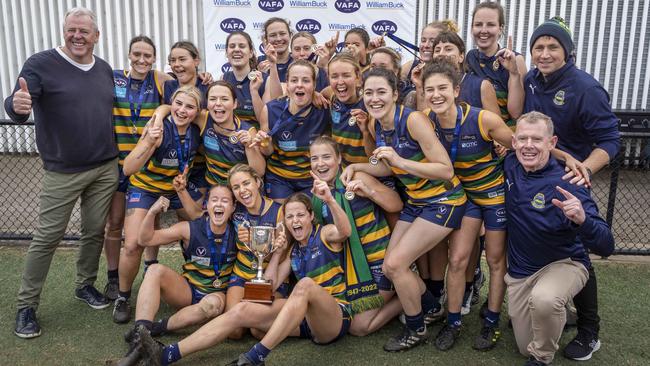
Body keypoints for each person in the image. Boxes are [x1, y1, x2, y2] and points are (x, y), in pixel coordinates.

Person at [5, 7, 119, 339]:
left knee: (94, 231)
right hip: (63, 171)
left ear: (97, 36)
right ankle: (26, 306)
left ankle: (85, 285)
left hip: (104, 167)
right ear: (63, 31)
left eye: (84, 31)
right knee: (47, 238)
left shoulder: (104, 69)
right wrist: (15, 104)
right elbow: (19, 103)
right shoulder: (40, 65)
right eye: (71, 29)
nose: (77, 36)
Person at [342, 68, 467, 352]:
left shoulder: (413, 120)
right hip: (417, 202)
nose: (374, 99)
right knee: (390, 265)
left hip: (444, 201)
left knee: (396, 265)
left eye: (381, 92)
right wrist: (356, 166)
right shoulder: (376, 125)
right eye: (369, 93)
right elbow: (387, 165)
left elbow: (445, 170)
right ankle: (432, 307)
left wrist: (400, 160)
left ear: (395, 94)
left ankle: (416, 328)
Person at [524, 17, 620, 361]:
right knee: (550, 243)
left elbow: (610, 141)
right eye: (539, 47)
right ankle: (559, 309)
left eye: (553, 47)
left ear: (568, 51)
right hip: (536, 175)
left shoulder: (585, 88)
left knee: (578, 251)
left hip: (569, 183)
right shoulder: (532, 80)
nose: (545, 53)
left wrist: (583, 170)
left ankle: (590, 331)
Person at [504, 111, 614, 366]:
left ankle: (542, 359)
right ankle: (559, 310)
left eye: (537, 139)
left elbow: (607, 245)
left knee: (544, 303)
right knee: (523, 345)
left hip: (565, 263)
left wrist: (582, 219)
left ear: (552, 143)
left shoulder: (569, 180)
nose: (528, 145)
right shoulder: (510, 164)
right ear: (514, 142)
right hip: (522, 272)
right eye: (522, 139)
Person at [421, 60, 512, 351]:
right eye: (430, 89)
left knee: (497, 261)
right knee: (458, 261)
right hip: (464, 198)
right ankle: (454, 321)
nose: (436, 95)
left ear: (456, 90)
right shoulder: (424, 120)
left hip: (493, 195)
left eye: (442, 88)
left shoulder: (483, 119)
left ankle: (492, 321)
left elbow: (521, 146)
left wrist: (564, 158)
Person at [113, 85, 204, 324]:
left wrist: (162, 110)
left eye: (189, 106)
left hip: (176, 188)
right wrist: (149, 143)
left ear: (197, 111)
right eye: (178, 104)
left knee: (201, 228)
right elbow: (128, 168)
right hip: (146, 188)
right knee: (133, 244)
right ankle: (123, 296)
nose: (182, 110)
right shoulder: (159, 128)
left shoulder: (198, 129)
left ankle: (199, 282)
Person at [228, 190, 352, 366]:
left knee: (305, 285)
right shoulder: (293, 252)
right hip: (309, 322)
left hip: (335, 317)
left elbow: (345, 231)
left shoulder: (324, 234)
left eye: (301, 215)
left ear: (311, 216)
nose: (295, 220)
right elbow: (270, 287)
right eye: (290, 216)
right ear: (285, 221)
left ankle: (256, 356)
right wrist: (278, 254)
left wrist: (330, 200)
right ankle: (175, 351)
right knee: (255, 328)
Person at [120, 184, 238, 358]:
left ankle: (154, 328)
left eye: (225, 200)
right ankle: (140, 333)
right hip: (188, 290)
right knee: (154, 270)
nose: (219, 204)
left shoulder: (238, 231)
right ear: (206, 205)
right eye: (214, 200)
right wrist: (151, 213)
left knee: (210, 306)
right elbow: (146, 239)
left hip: (217, 293)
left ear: (233, 207)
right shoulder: (189, 228)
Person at [309, 136, 404, 336]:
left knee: (358, 327)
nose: (320, 164)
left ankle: (409, 294)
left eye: (326, 157)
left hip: (379, 264)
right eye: (314, 158)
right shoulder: (316, 196)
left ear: (338, 159)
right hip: (352, 270)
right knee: (341, 314)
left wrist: (368, 192)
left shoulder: (355, 177)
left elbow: (396, 204)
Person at [105, 35, 169, 301]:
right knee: (115, 223)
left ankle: (148, 270)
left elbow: (178, 99)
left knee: (150, 220)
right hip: (117, 162)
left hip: (146, 165)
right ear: (129, 55)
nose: (142, 60)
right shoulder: (114, 77)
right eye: (137, 54)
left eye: (147, 55)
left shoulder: (160, 79)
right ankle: (112, 276)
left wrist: (160, 113)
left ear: (154, 58)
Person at [253, 60, 330, 201]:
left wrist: (319, 93)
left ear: (314, 85)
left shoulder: (323, 109)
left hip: (311, 178)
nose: (299, 84)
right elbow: (268, 152)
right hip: (279, 178)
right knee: (284, 217)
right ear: (287, 85)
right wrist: (264, 143)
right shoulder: (271, 110)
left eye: (306, 80)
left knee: (309, 217)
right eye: (294, 80)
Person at [466, 1, 526, 128]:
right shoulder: (470, 57)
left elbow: (516, 113)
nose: (483, 30)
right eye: (478, 24)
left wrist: (514, 73)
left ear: (500, 28)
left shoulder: (516, 59)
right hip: (476, 131)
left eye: (491, 25)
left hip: (505, 134)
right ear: (472, 28)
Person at [222, 31, 282, 129]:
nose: (236, 49)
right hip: (230, 140)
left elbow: (266, 121)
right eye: (232, 46)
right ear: (227, 53)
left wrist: (254, 92)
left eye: (242, 46)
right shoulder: (224, 78)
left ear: (250, 53)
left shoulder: (264, 80)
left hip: (255, 141)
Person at [257, 17, 293, 82]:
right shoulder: (258, 62)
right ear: (266, 39)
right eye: (273, 35)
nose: (278, 39)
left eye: (282, 34)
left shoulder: (298, 61)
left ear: (290, 35)